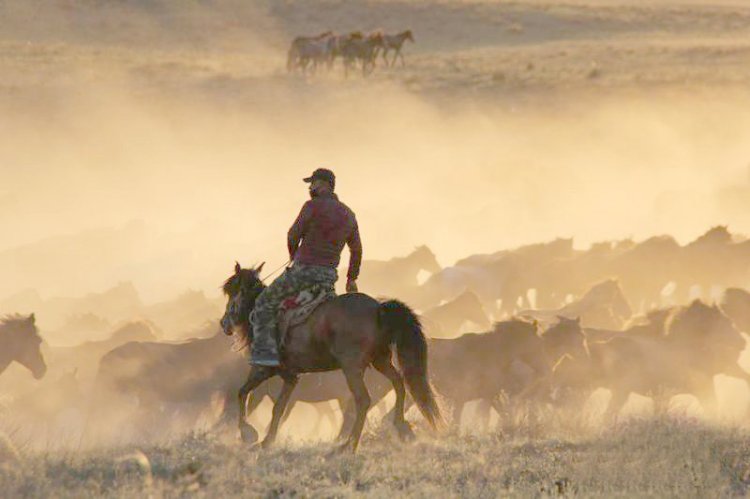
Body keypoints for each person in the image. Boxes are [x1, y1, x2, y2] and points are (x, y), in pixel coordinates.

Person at [250, 168, 362, 366]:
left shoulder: (311, 206)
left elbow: (292, 235)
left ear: (325, 184)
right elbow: (357, 250)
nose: (310, 187)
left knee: (263, 303)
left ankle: (265, 358)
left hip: (302, 273)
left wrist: (294, 257)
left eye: (313, 183)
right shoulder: (349, 214)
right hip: (327, 278)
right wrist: (351, 278)